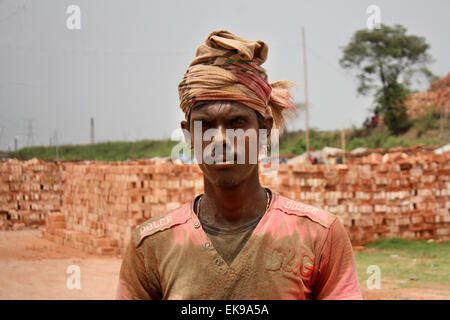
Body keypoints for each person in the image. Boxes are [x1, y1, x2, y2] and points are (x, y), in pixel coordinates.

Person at [115, 30, 362, 300]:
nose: (220, 139)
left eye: (237, 123)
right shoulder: (152, 245)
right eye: (205, 125)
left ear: (264, 131)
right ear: (189, 136)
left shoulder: (317, 236)